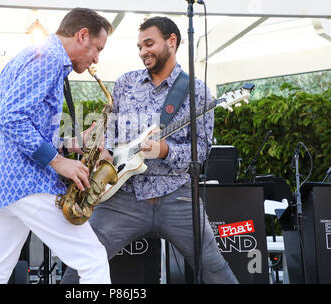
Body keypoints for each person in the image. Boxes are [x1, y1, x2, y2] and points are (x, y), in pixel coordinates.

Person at [61, 16, 238, 284]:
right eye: (139, 46)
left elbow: (201, 150)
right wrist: (105, 152)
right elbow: (110, 128)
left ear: (172, 41)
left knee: (214, 270)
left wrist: (166, 150)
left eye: (149, 44)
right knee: (81, 266)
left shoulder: (197, 91)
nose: (143, 52)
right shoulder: (125, 83)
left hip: (176, 197)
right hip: (123, 197)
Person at [0, 8, 114, 284]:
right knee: (93, 261)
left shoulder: (34, 53)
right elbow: (11, 119)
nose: (96, 58)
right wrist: (59, 162)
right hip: (25, 183)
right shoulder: (50, 59)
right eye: (98, 48)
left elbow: (16, 122)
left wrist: (71, 143)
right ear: (82, 35)